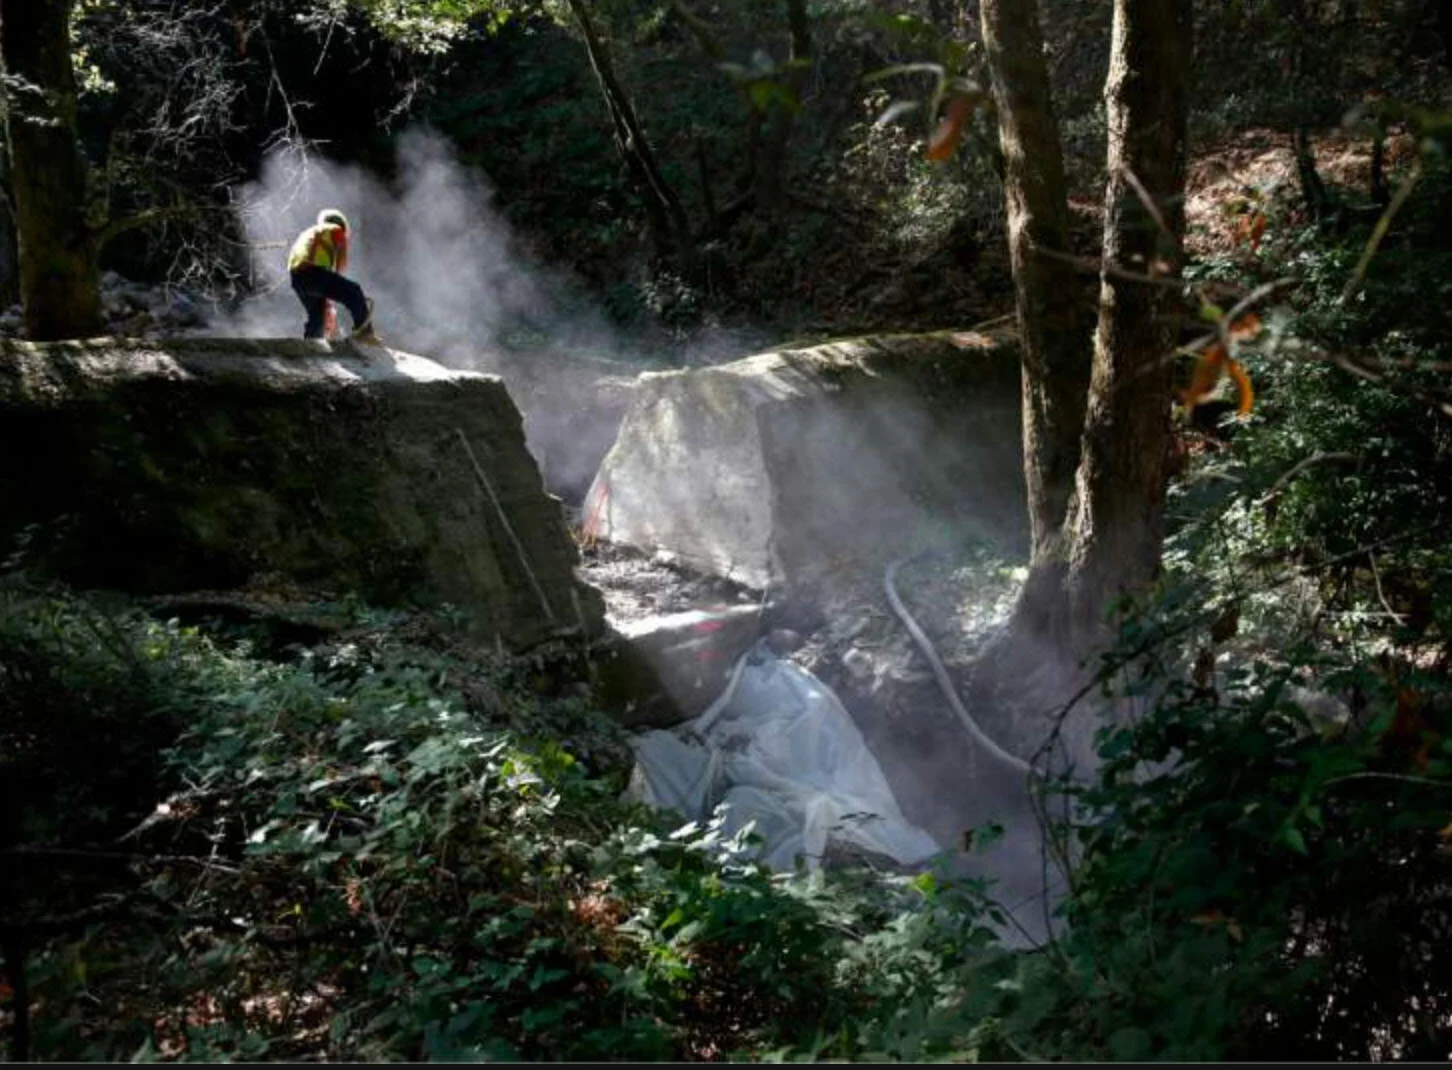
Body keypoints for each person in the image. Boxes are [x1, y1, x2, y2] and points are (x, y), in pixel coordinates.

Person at [287, 208, 378, 342]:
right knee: (354, 291)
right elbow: (340, 265)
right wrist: (339, 287)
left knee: (318, 315)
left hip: (297, 279)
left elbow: (324, 279)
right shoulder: (337, 230)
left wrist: (329, 298)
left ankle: (311, 344)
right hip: (314, 273)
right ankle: (364, 334)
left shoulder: (310, 233)